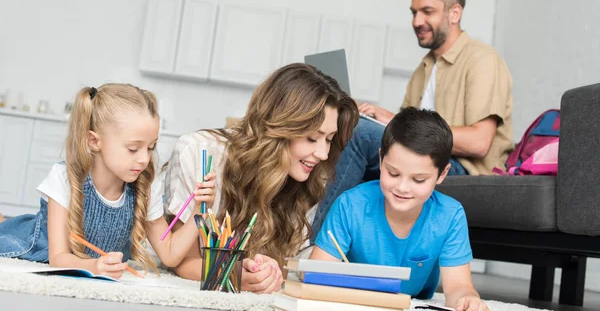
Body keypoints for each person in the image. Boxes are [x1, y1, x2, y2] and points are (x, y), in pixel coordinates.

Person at [311, 0, 514, 241]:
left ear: (455, 13)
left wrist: (391, 118)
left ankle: (319, 245)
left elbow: (479, 142)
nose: (417, 21)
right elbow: (404, 135)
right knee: (345, 128)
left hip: (463, 167)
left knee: (359, 135)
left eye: (427, 11)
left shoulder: (482, 59)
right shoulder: (425, 67)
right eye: (414, 12)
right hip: (421, 157)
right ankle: (341, 247)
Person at [163, 63, 359, 293]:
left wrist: (272, 271)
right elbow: (182, 263)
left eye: (329, 139)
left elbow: (288, 264)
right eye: (312, 138)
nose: (323, 153)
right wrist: (236, 275)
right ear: (279, 128)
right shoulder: (199, 152)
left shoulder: (309, 176)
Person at [0, 84, 213, 279]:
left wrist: (198, 211)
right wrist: (94, 266)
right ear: (94, 141)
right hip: (30, 244)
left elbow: (169, 255)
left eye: (151, 147)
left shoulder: (146, 189)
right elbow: (58, 258)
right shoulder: (65, 177)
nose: (144, 159)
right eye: (133, 148)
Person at [311, 107, 489, 311]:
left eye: (418, 179)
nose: (402, 188)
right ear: (380, 160)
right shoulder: (350, 205)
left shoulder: (450, 215)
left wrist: (467, 299)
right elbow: (316, 273)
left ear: (442, 174)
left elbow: (458, 286)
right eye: (393, 173)